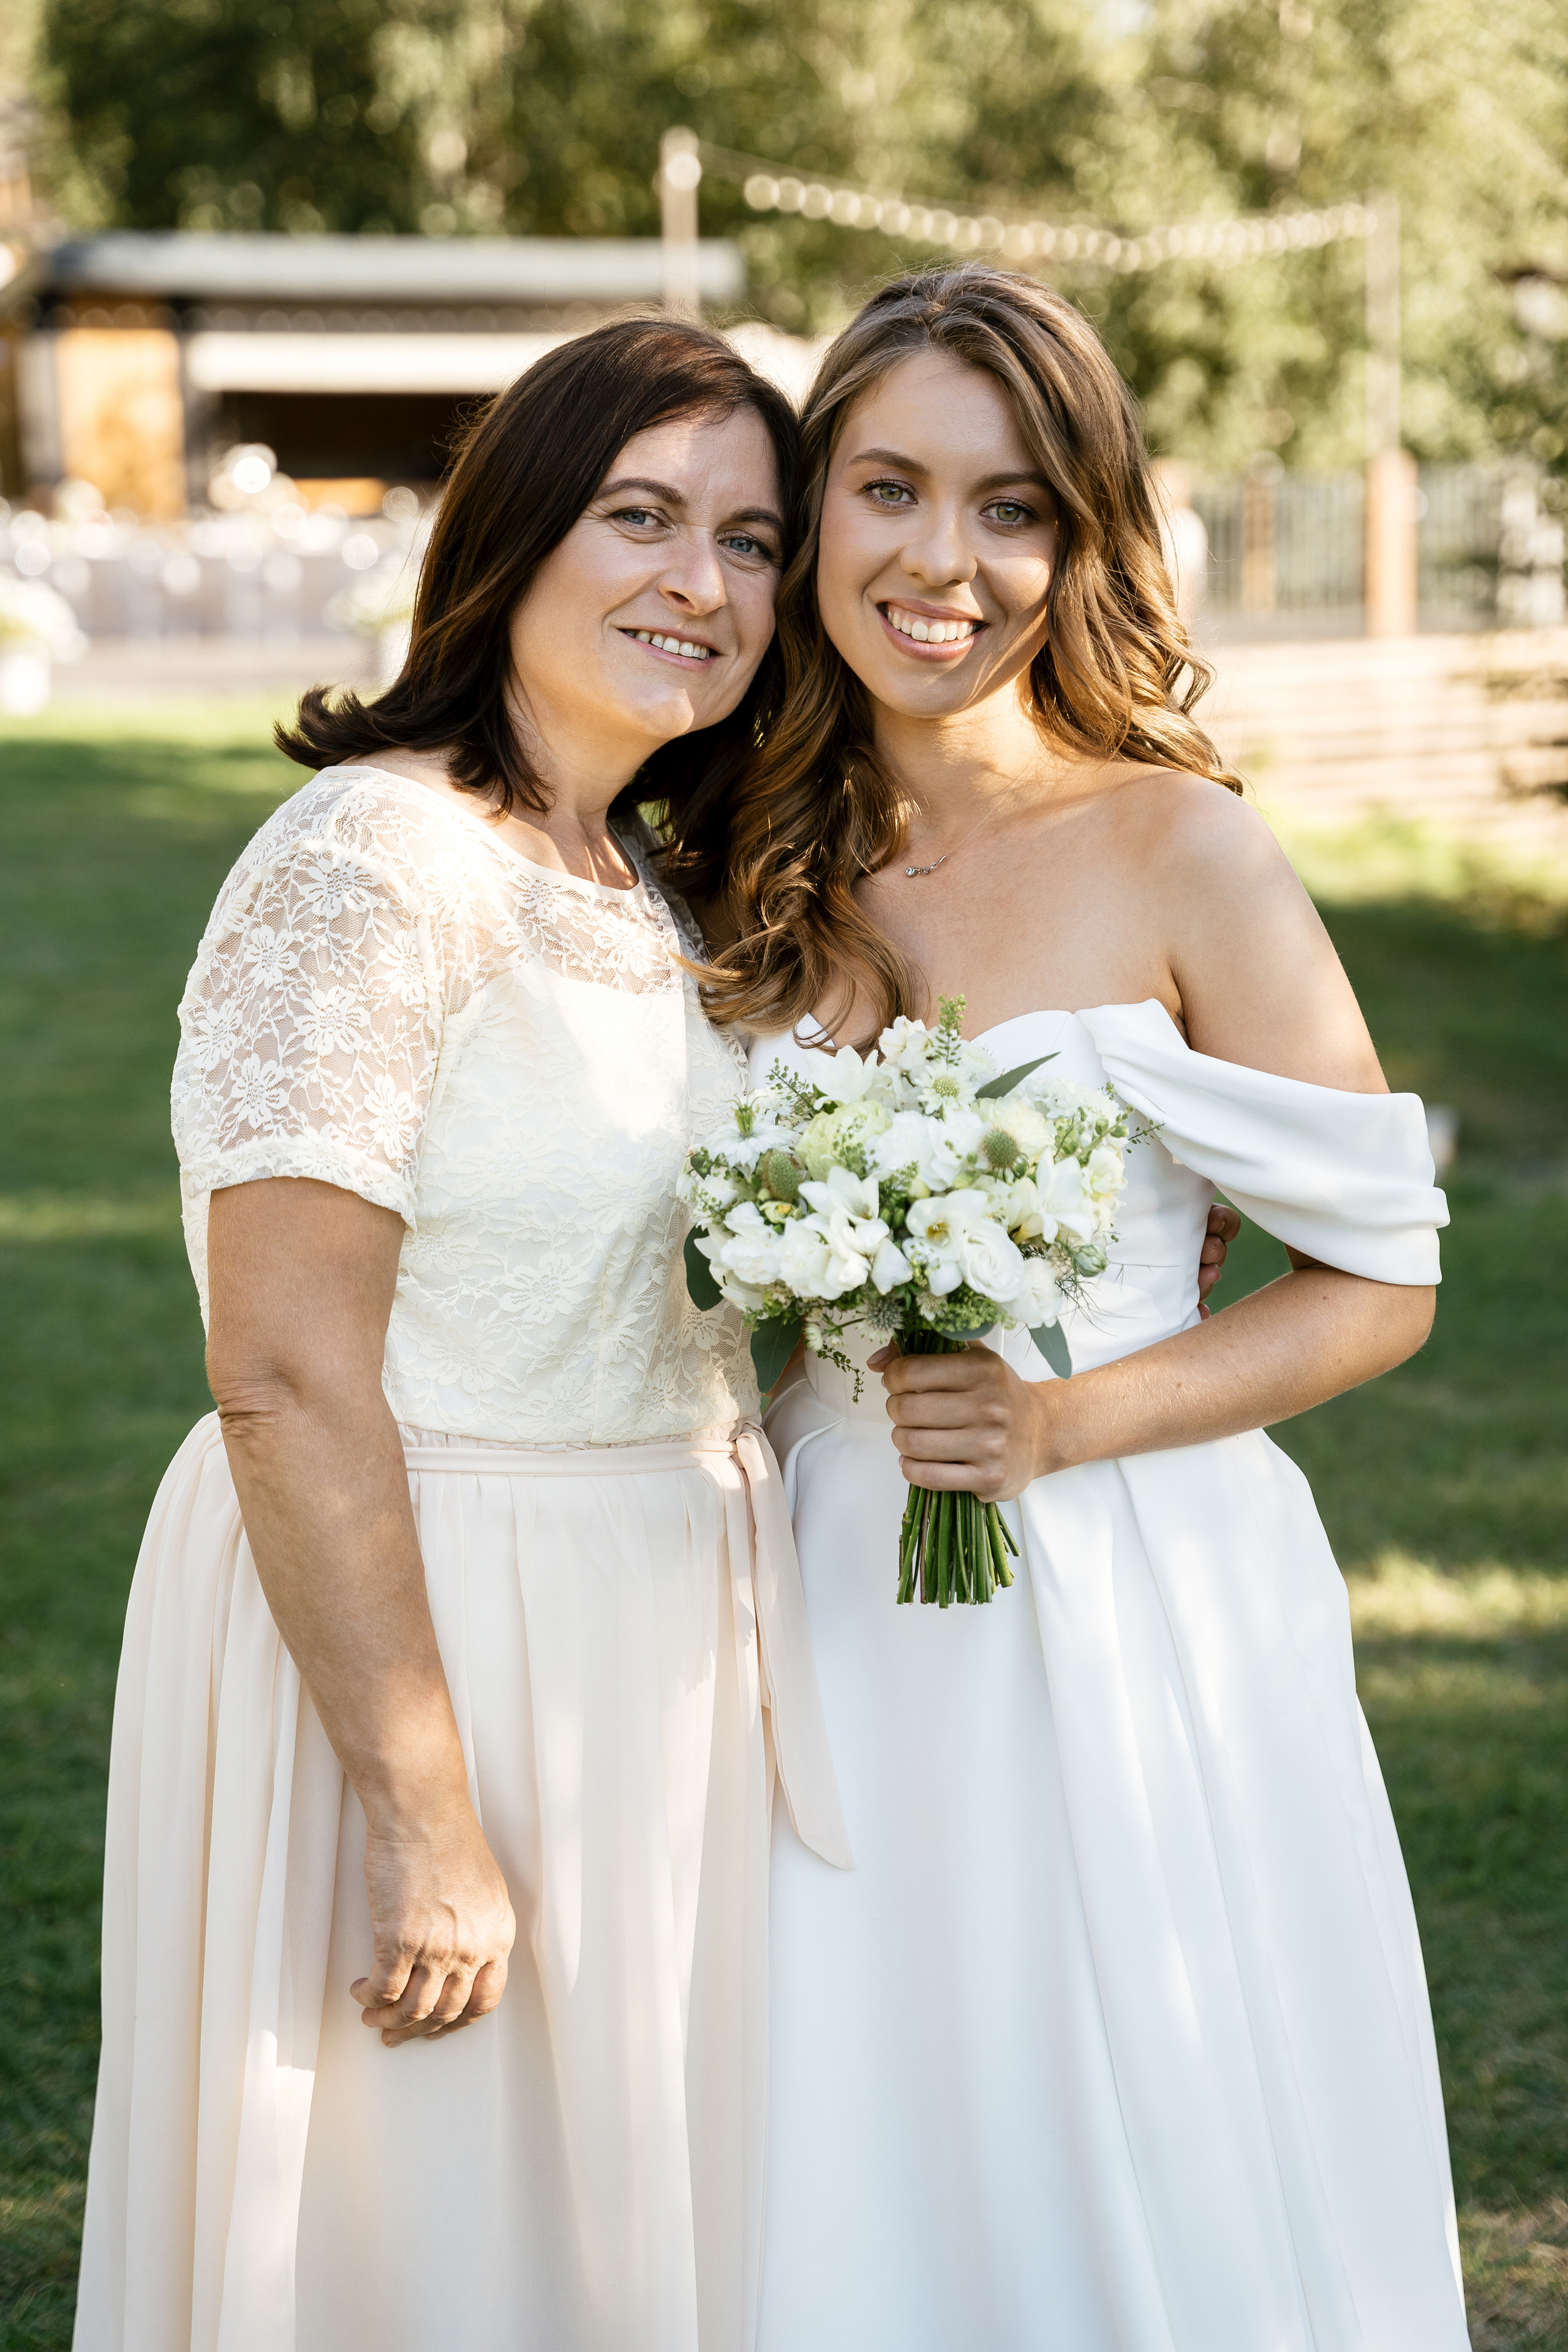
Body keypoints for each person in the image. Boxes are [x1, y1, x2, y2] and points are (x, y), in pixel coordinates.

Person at [677, 266, 1471, 2350]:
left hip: (1132, 1583)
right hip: (825, 1579)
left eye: (1013, 505)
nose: (945, 563)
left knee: (1132, 2094)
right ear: (811, 511)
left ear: (1085, 534)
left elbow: (1381, 1279)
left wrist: (1060, 1426)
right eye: (889, 491)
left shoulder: (1181, 849)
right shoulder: (738, 859)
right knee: (852, 2109)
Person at [72, 318, 852, 2352]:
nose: (706, 583)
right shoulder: (369, 865)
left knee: (616, 2225)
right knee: (415, 2234)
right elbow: (289, 1367)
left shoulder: (652, 879)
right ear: (512, 538)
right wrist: (423, 1806)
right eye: (645, 517)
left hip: (660, 1633)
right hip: (422, 1613)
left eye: (755, 541)